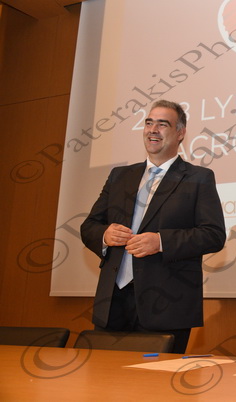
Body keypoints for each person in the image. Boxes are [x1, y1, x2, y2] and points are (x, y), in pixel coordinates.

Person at [81, 99, 226, 353]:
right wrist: (105, 234)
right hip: (113, 303)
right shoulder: (120, 176)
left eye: (162, 124)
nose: (152, 130)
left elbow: (213, 235)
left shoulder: (199, 178)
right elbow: (89, 226)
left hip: (166, 306)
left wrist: (160, 242)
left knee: (155, 379)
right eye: (148, 123)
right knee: (102, 377)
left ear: (180, 133)